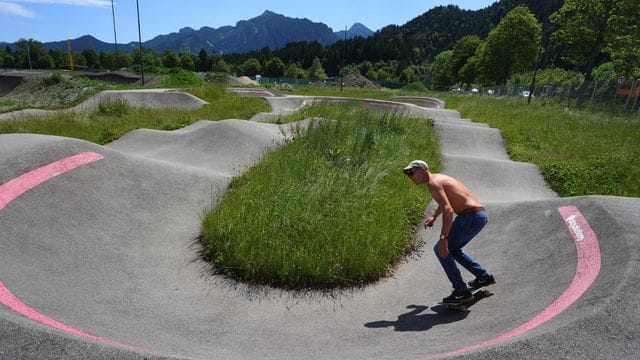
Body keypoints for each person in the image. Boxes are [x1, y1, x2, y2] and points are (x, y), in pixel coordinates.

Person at [403, 160, 495, 303]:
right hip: (478, 216)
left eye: (411, 173)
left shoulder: (433, 183)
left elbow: (448, 210)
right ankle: (483, 277)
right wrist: (434, 216)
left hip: (470, 217)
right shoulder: (438, 179)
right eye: (408, 174)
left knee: (441, 249)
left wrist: (443, 237)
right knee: (452, 249)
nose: (410, 176)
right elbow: (445, 202)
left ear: (422, 170)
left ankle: (461, 291)